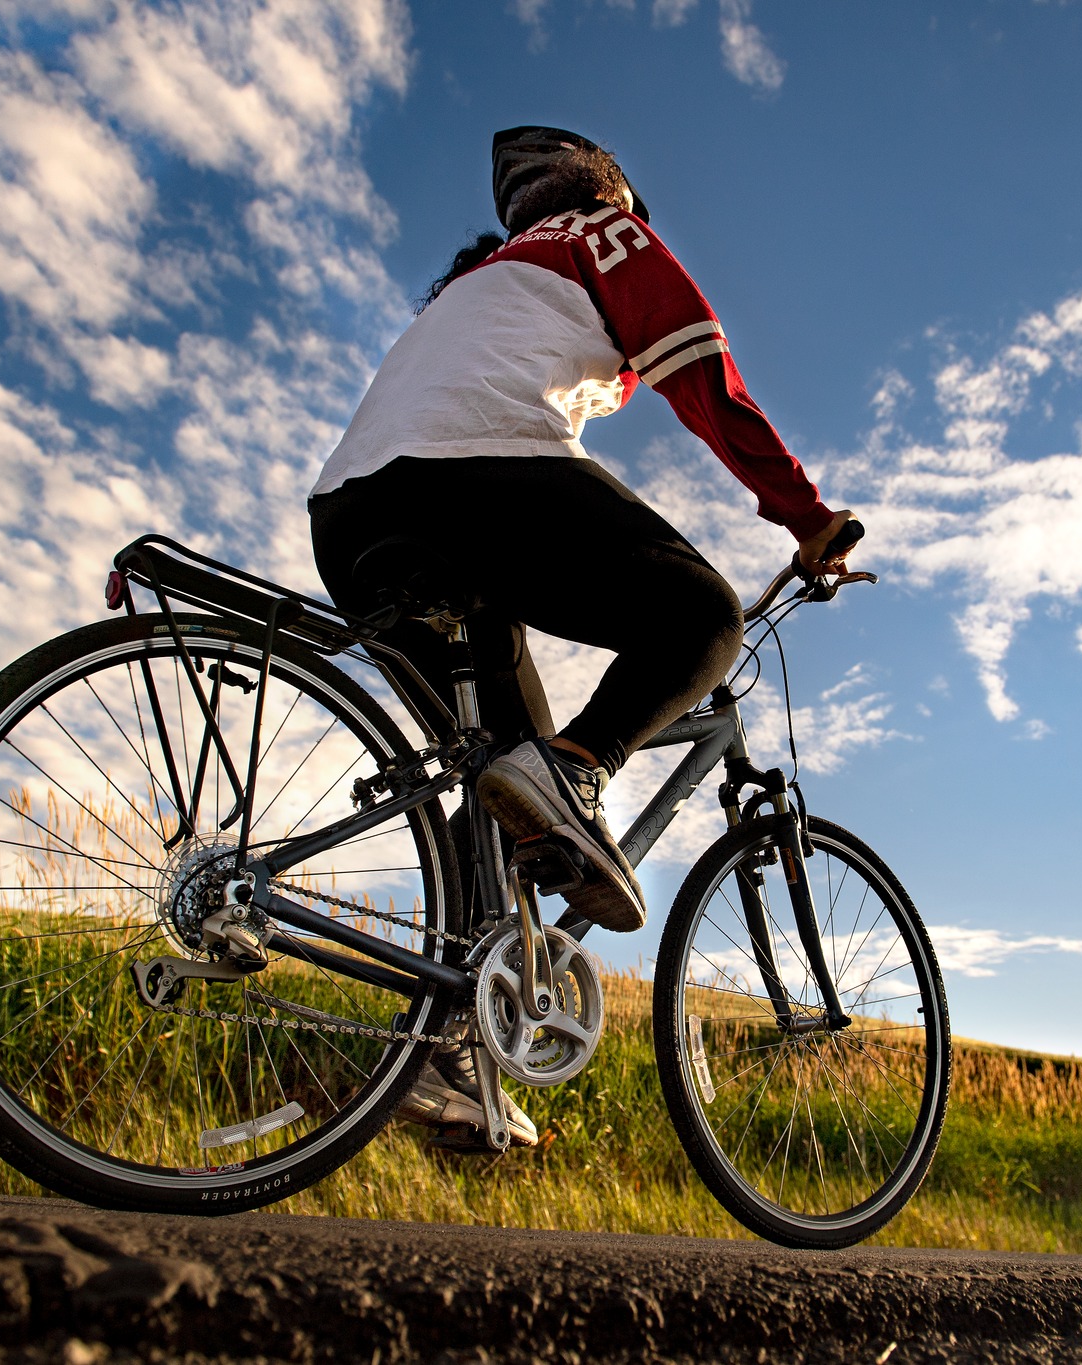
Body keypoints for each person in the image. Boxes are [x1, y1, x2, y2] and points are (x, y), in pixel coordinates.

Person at [307, 126, 858, 1148]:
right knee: (700, 616)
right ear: (613, 193)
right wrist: (804, 518)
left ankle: (451, 1057)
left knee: (510, 802)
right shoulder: (602, 236)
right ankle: (584, 767)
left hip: (350, 519)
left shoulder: (473, 286)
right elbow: (701, 367)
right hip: (469, 478)